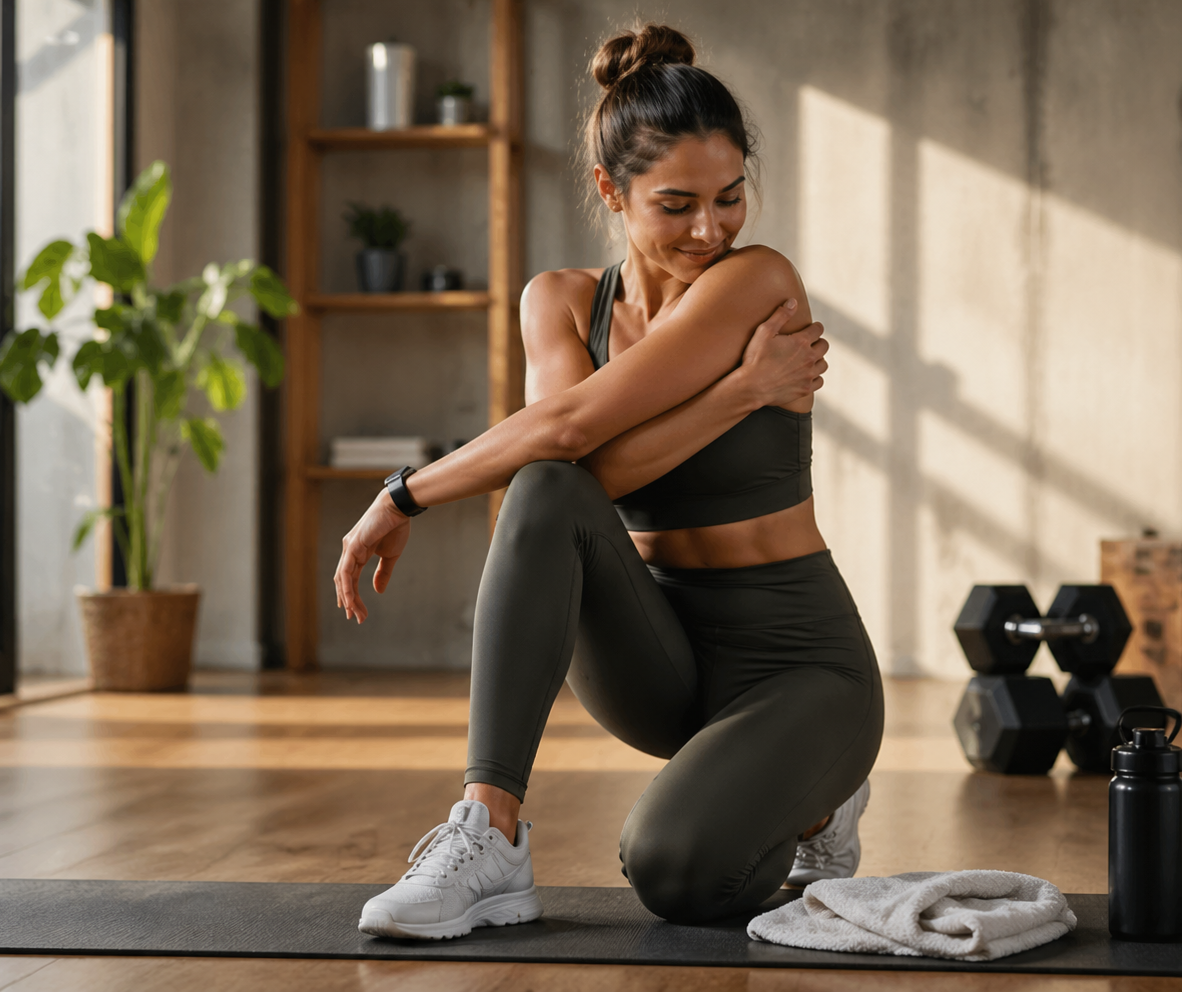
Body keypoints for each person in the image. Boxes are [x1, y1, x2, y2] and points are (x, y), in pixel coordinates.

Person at [333, 23, 884, 940]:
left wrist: (402, 498)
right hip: (654, 653)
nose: (710, 228)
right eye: (676, 204)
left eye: (730, 197)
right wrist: (739, 393)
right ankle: (489, 832)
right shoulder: (557, 301)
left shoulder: (754, 280)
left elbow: (578, 429)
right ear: (609, 191)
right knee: (546, 490)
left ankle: (821, 801)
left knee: (676, 877)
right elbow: (565, 460)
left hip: (799, 665)